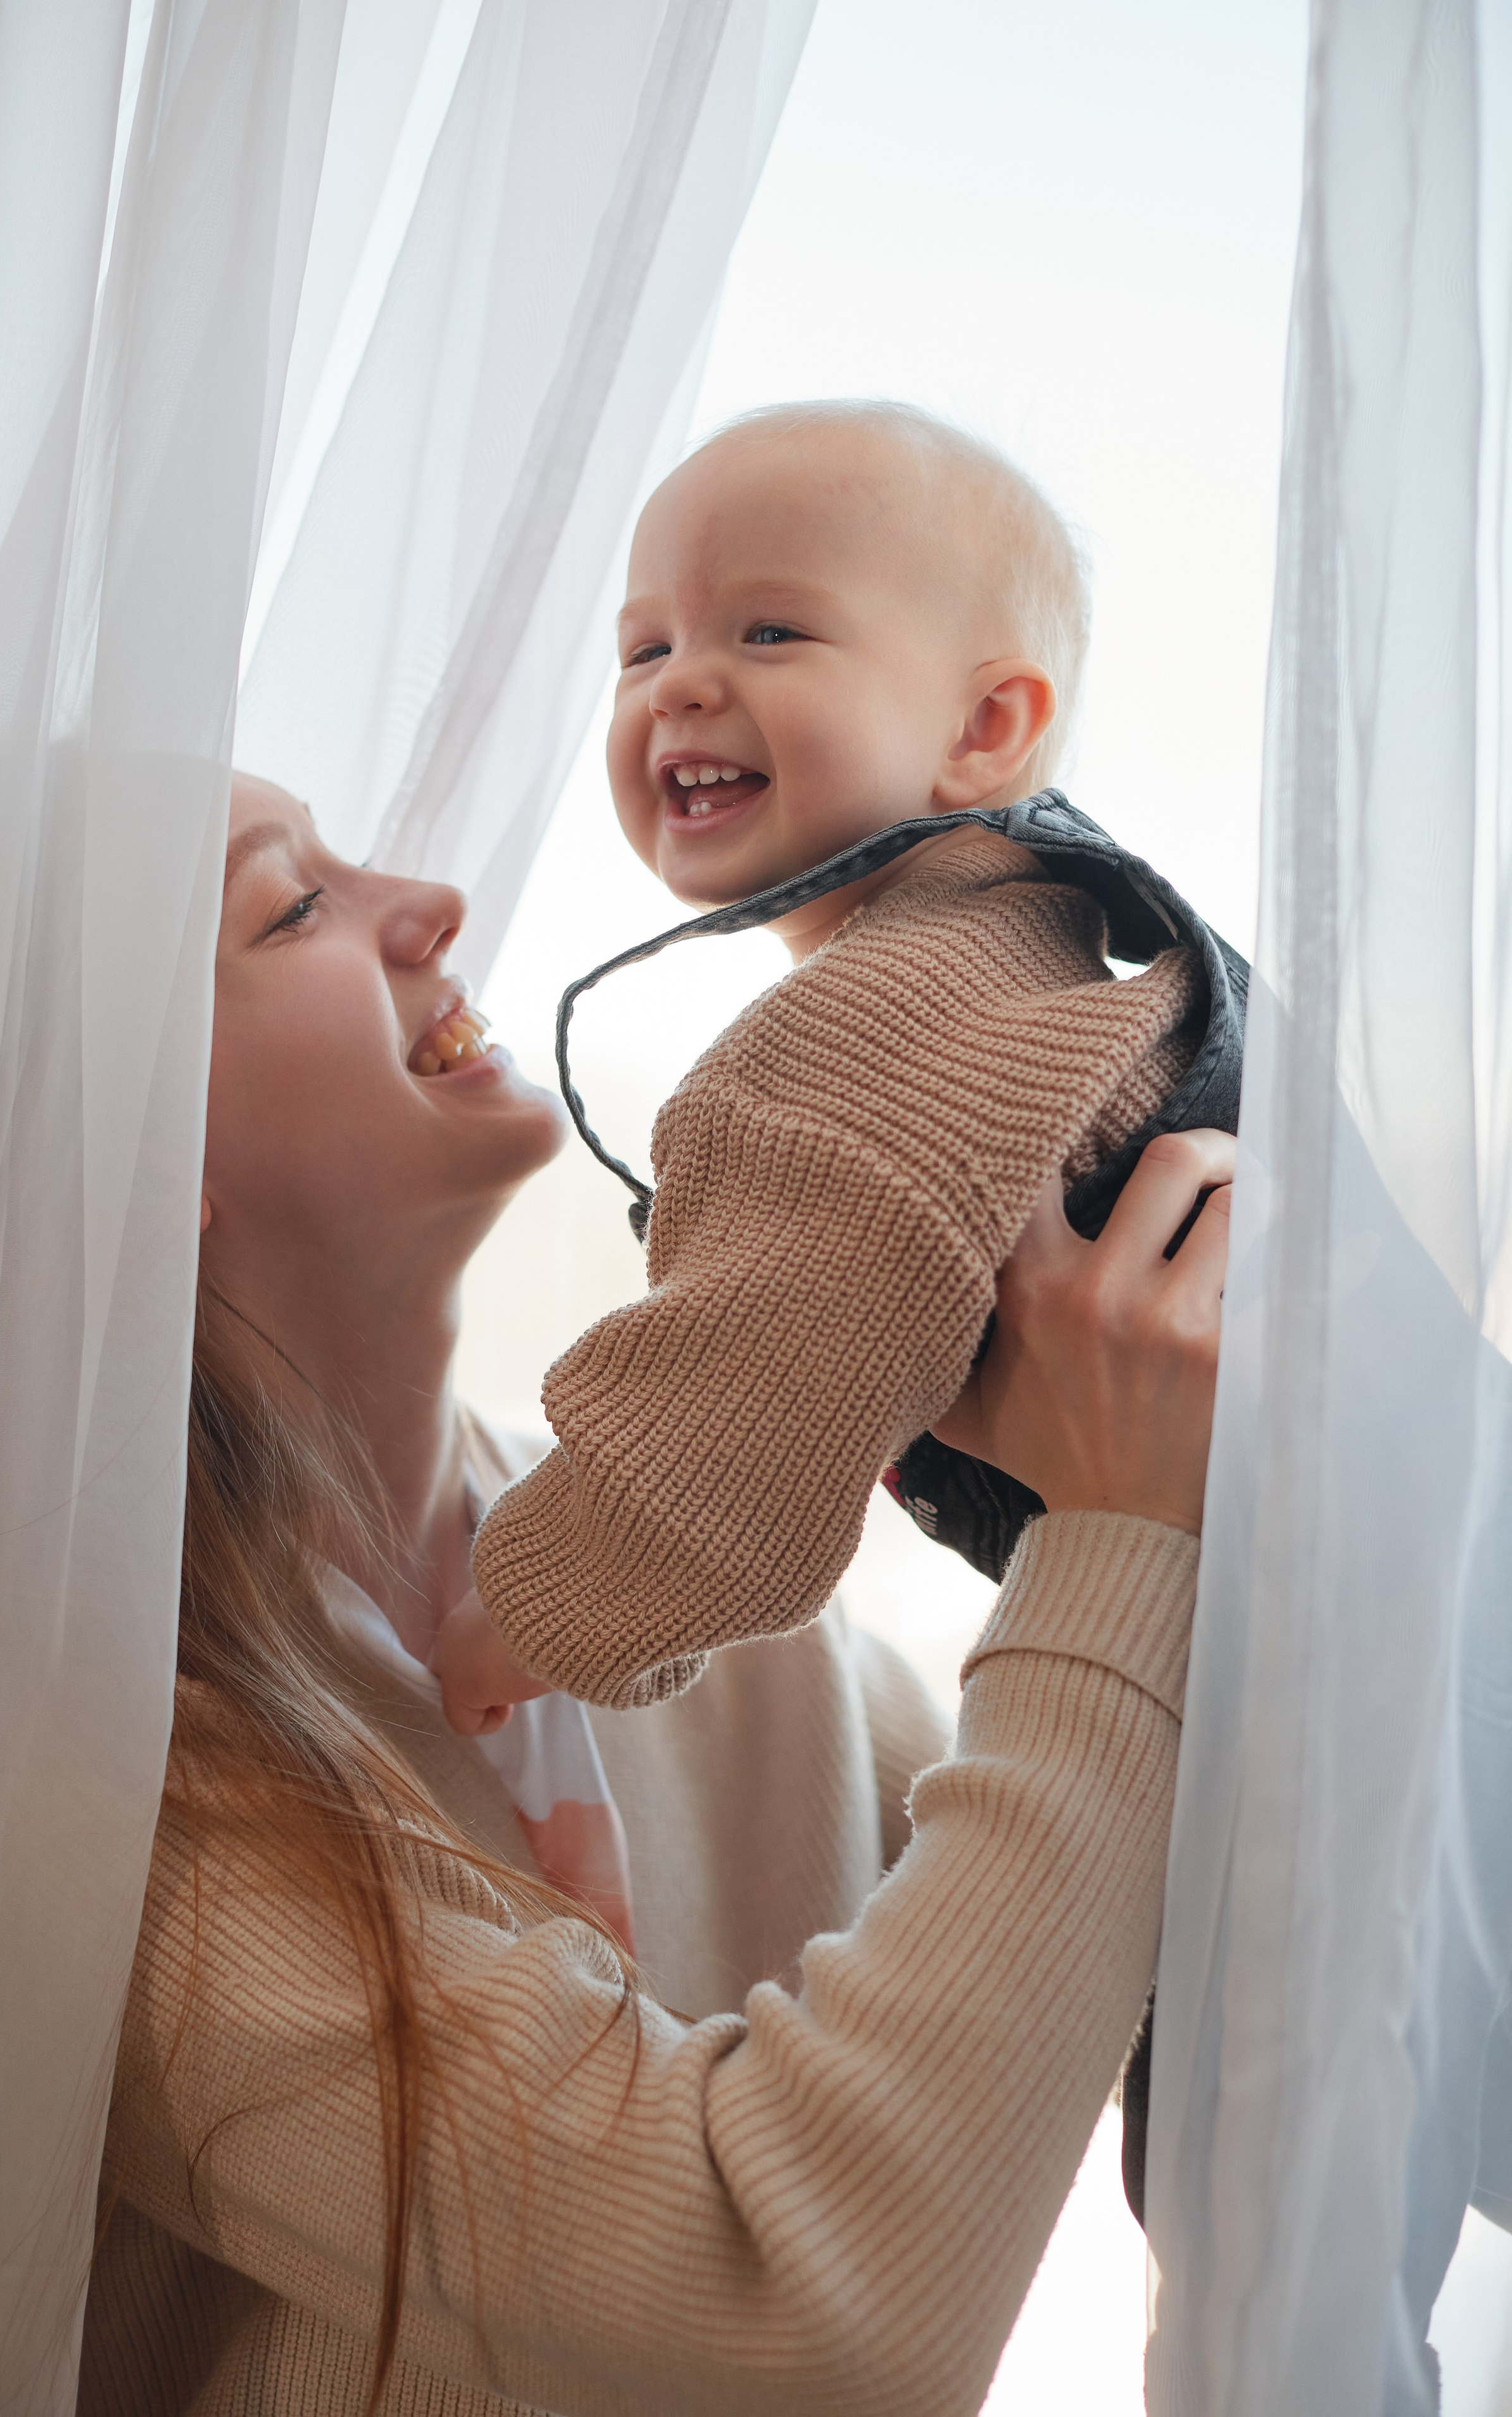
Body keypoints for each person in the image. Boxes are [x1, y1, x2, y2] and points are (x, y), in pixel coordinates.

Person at [79, 771, 1232, 2416]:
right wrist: (1125, 1538)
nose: (431, 905)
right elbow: (794, 2316)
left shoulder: (701, 1596)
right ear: (113, 1155)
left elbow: (1184, 1942)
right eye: (294, 907)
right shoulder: (127, 1812)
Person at [437, 400, 1238, 1730]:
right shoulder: (1038, 940)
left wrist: (518, 1623)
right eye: (642, 648)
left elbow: (726, 1427)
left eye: (769, 631)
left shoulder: (870, 1034)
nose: (677, 685)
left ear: (982, 730)